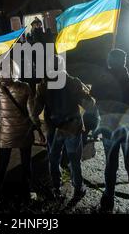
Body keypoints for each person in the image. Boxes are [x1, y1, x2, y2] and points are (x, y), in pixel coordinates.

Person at [94, 49, 129, 213]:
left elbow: (96, 104)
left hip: (109, 130)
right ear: (124, 62)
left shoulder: (102, 82)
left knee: (111, 165)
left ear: (109, 62)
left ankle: (108, 199)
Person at [32, 56, 95, 201]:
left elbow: (35, 110)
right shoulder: (73, 82)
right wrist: (88, 94)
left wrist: (36, 123)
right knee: (74, 159)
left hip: (53, 129)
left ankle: (56, 187)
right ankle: (78, 187)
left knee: (53, 159)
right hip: (72, 127)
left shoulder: (43, 84)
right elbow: (89, 105)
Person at [0, 59, 45, 203]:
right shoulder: (25, 87)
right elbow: (32, 113)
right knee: (26, 162)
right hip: (24, 133)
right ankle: (28, 191)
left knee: (3, 163)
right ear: (16, 70)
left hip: (5, 134)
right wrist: (39, 130)